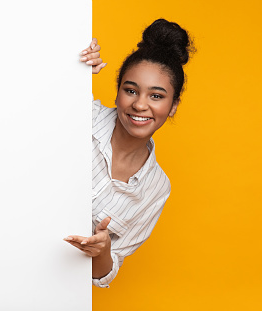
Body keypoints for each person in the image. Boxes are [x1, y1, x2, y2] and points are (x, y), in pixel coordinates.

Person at [64, 19, 194, 288]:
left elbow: (102, 276)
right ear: (118, 92)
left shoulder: (157, 188)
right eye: (131, 90)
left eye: (156, 96)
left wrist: (101, 251)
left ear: (173, 106)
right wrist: (71, 66)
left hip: (55, 292)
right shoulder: (79, 114)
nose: (140, 104)